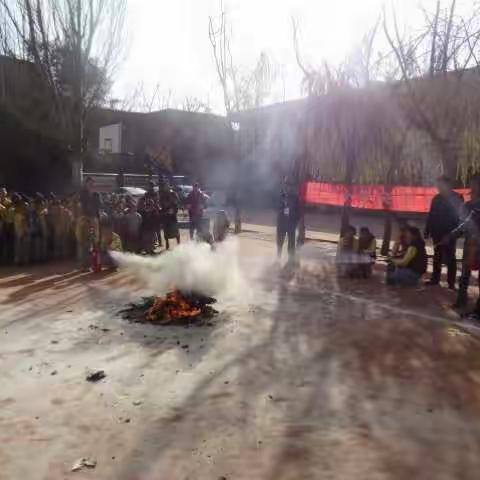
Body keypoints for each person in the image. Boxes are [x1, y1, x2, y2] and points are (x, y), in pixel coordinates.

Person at [425, 175, 463, 289]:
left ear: (448, 185)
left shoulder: (457, 197)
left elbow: (459, 217)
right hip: (437, 232)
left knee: (451, 257)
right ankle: (435, 279)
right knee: (437, 255)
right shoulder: (436, 198)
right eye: (438, 185)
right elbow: (431, 215)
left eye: (440, 185)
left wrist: (454, 233)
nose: (438, 187)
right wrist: (427, 230)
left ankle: (451, 283)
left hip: (450, 233)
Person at [452, 175, 480, 313]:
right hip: (470, 244)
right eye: (472, 184)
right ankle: (461, 298)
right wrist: (454, 234)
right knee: (464, 273)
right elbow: (462, 225)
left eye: (476, 184)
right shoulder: (467, 205)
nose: (473, 186)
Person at [277, 179, 301, 261]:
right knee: (280, 241)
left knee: (291, 242)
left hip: (291, 223)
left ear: (291, 187)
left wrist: (295, 221)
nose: (287, 188)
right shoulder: (280, 196)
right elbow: (275, 207)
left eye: (289, 186)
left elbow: (299, 211)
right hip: (281, 223)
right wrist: (281, 211)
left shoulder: (295, 197)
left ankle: (291, 258)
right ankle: (278, 257)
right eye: (286, 185)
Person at [138, 181, 160, 254]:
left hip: (153, 211)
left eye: (150, 186)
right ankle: (146, 247)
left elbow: (156, 202)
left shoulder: (155, 193)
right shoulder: (146, 194)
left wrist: (153, 206)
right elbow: (143, 202)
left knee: (155, 230)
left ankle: (155, 245)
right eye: (149, 186)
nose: (149, 187)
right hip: (147, 211)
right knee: (146, 231)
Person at [159, 181, 180, 250]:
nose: (166, 187)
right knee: (166, 230)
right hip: (166, 215)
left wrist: (173, 210)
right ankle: (167, 244)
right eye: (165, 186)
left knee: (175, 230)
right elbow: (161, 204)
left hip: (173, 214)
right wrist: (163, 210)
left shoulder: (173, 193)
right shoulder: (162, 195)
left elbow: (177, 202)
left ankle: (178, 243)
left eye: (167, 186)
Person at [30, 195, 48, 263]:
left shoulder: (44, 211)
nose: (40, 205)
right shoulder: (33, 212)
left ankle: (42, 258)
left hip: (42, 229)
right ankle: (37, 259)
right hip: (36, 229)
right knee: (37, 245)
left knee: (42, 244)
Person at [13, 197, 30, 266]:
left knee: (21, 247)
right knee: (21, 247)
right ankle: (21, 260)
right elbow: (23, 224)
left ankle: (20, 260)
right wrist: (25, 231)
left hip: (19, 232)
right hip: (21, 232)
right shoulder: (20, 215)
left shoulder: (18, 214)